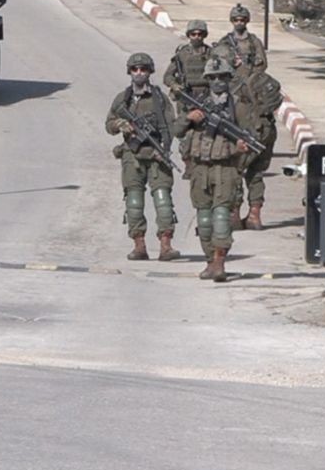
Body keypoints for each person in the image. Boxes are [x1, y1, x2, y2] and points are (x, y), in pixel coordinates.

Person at [173, 56, 256, 282]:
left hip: (225, 168)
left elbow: (251, 138)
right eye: (213, 77)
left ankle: (219, 261)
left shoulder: (238, 106)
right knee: (204, 220)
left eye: (222, 77)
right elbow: (176, 130)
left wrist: (239, 150)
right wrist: (189, 118)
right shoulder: (196, 103)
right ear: (207, 79)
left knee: (221, 216)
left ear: (229, 78)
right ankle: (210, 261)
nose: (218, 81)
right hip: (200, 169)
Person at [105, 52, 180, 261]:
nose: (139, 73)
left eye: (143, 69)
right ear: (129, 72)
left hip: (156, 155)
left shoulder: (159, 98)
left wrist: (164, 149)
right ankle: (139, 245)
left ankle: (166, 245)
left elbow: (170, 127)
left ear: (150, 72)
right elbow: (109, 124)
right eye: (135, 69)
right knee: (134, 201)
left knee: (163, 200)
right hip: (132, 156)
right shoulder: (123, 99)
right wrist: (120, 124)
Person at [233, 63, 282, 230]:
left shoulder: (237, 81)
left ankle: (234, 215)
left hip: (252, 131)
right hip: (268, 130)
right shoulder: (259, 78)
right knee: (256, 172)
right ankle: (255, 215)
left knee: (235, 170)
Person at [164, 19, 212, 178]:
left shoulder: (211, 54)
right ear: (189, 35)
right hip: (186, 99)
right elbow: (167, 76)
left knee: (206, 132)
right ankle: (188, 164)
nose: (196, 37)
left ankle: (204, 164)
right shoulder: (182, 54)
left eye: (200, 34)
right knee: (184, 134)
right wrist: (175, 86)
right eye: (193, 34)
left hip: (207, 98)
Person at [212, 2, 267, 73]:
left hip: (250, 75)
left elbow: (262, 64)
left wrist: (249, 71)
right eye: (236, 20)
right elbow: (217, 62)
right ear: (232, 21)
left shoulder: (254, 41)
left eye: (242, 20)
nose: (239, 22)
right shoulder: (225, 41)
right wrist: (231, 62)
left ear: (247, 21)